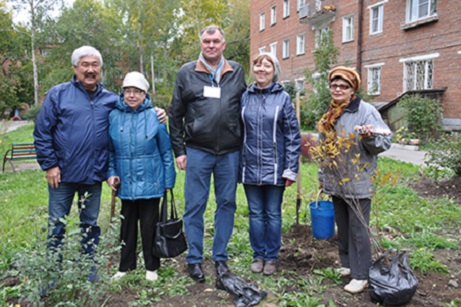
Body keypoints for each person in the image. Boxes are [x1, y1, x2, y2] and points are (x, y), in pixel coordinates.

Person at [33, 46, 166, 282]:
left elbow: (134, 106)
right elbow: (42, 131)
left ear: (100, 69)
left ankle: (89, 271)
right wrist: (50, 164)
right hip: (62, 174)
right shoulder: (58, 94)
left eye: (95, 65)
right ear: (75, 68)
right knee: (56, 225)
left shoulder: (110, 100)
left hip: (93, 176)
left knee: (90, 225)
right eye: (85, 65)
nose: (90, 70)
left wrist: (157, 111)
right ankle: (51, 275)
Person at [168, 25, 247, 283]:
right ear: (201, 44)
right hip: (197, 150)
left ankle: (220, 258)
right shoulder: (187, 73)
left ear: (224, 44)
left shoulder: (236, 71)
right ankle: (194, 259)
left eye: (215, 41)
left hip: (229, 152)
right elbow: (175, 114)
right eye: (206, 41)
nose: (211, 45)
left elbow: (244, 106)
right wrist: (179, 150)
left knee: (226, 204)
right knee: (194, 206)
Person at [316, 66, 392, 294]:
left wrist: (369, 137)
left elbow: (384, 143)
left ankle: (361, 275)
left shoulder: (366, 111)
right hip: (336, 179)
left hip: (358, 180)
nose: (338, 89)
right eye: (334, 85)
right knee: (344, 225)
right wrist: (323, 177)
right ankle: (348, 265)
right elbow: (324, 149)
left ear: (352, 90)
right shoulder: (330, 112)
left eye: (344, 86)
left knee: (359, 229)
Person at [107, 72, 176, 282]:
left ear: (144, 94)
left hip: (151, 180)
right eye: (128, 91)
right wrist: (111, 174)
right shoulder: (114, 115)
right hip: (125, 182)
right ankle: (125, 266)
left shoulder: (155, 116)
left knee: (149, 226)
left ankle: (151, 266)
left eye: (136, 91)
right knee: (126, 227)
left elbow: (166, 151)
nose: (131, 95)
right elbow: (110, 151)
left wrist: (168, 181)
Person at [239, 53, 301, 276]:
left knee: (273, 213)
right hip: (250, 166)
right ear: (253, 70)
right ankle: (258, 254)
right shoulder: (244, 96)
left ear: (274, 71)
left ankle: (272, 257)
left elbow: (293, 136)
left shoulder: (283, 98)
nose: (262, 69)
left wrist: (290, 169)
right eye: (258, 65)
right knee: (255, 213)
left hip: (275, 167)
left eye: (267, 66)